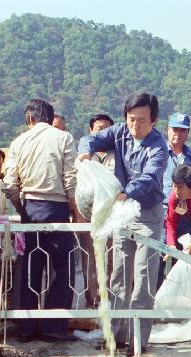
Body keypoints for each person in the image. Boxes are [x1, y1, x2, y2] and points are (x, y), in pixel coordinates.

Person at [78, 92, 169, 356]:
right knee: (119, 276)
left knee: (143, 279)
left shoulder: (158, 147)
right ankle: (114, 336)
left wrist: (125, 192)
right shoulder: (119, 133)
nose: (135, 126)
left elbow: (151, 177)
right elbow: (91, 139)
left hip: (147, 215)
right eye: (131, 119)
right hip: (121, 213)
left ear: (154, 120)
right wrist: (86, 152)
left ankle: (137, 340)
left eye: (142, 121)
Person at [4, 98, 77, 341]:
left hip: (30, 210)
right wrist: (75, 213)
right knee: (63, 268)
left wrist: (23, 211)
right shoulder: (63, 138)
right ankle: (54, 327)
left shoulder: (18, 142)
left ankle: (26, 328)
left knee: (28, 269)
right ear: (49, 117)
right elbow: (70, 181)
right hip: (57, 210)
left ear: (30, 119)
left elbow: (10, 185)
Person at [75, 113, 115, 307]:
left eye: (108, 128)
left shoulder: (118, 154)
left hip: (113, 217)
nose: (104, 132)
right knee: (90, 260)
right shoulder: (85, 155)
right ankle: (92, 301)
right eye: (100, 129)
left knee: (112, 259)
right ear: (92, 131)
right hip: (89, 217)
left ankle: (112, 300)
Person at [165, 164, 191, 290]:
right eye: (175, 186)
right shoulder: (175, 198)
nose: (176, 190)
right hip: (186, 232)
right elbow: (171, 222)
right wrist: (171, 245)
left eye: (180, 187)